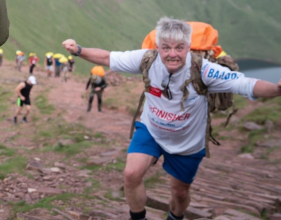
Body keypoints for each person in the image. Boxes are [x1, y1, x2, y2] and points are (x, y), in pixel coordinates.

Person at [62, 17, 281, 220]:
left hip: (187, 142)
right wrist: (78, 50)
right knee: (131, 174)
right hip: (151, 129)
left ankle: (175, 217)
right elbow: (108, 57)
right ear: (158, 47)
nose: (172, 54)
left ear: (188, 47)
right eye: (166, 47)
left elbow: (246, 84)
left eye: (178, 47)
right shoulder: (147, 60)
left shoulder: (204, 70)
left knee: (179, 192)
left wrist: (276, 89)